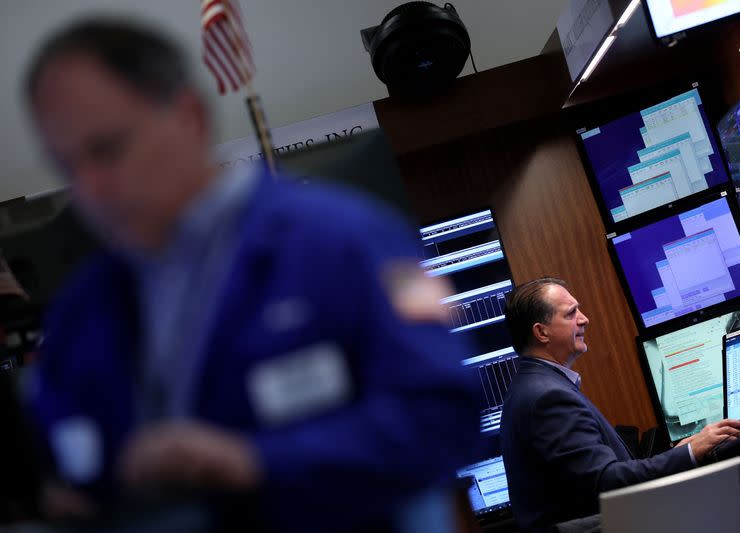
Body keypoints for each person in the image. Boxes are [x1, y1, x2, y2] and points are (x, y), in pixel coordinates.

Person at [23, 18, 481, 531]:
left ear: (189, 116)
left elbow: (443, 418)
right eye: (67, 166)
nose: (89, 189)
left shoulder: (343, 239)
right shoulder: (81, 309)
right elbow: (58, 462)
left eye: (107, 150)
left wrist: (255, 461)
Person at [499, 277, 740, 532]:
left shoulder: (534, 385)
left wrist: (679, 451)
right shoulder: (547, 397)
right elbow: (608, 483)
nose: (584, 319)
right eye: (571, 314)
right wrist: (691, 451)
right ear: (541, 332)